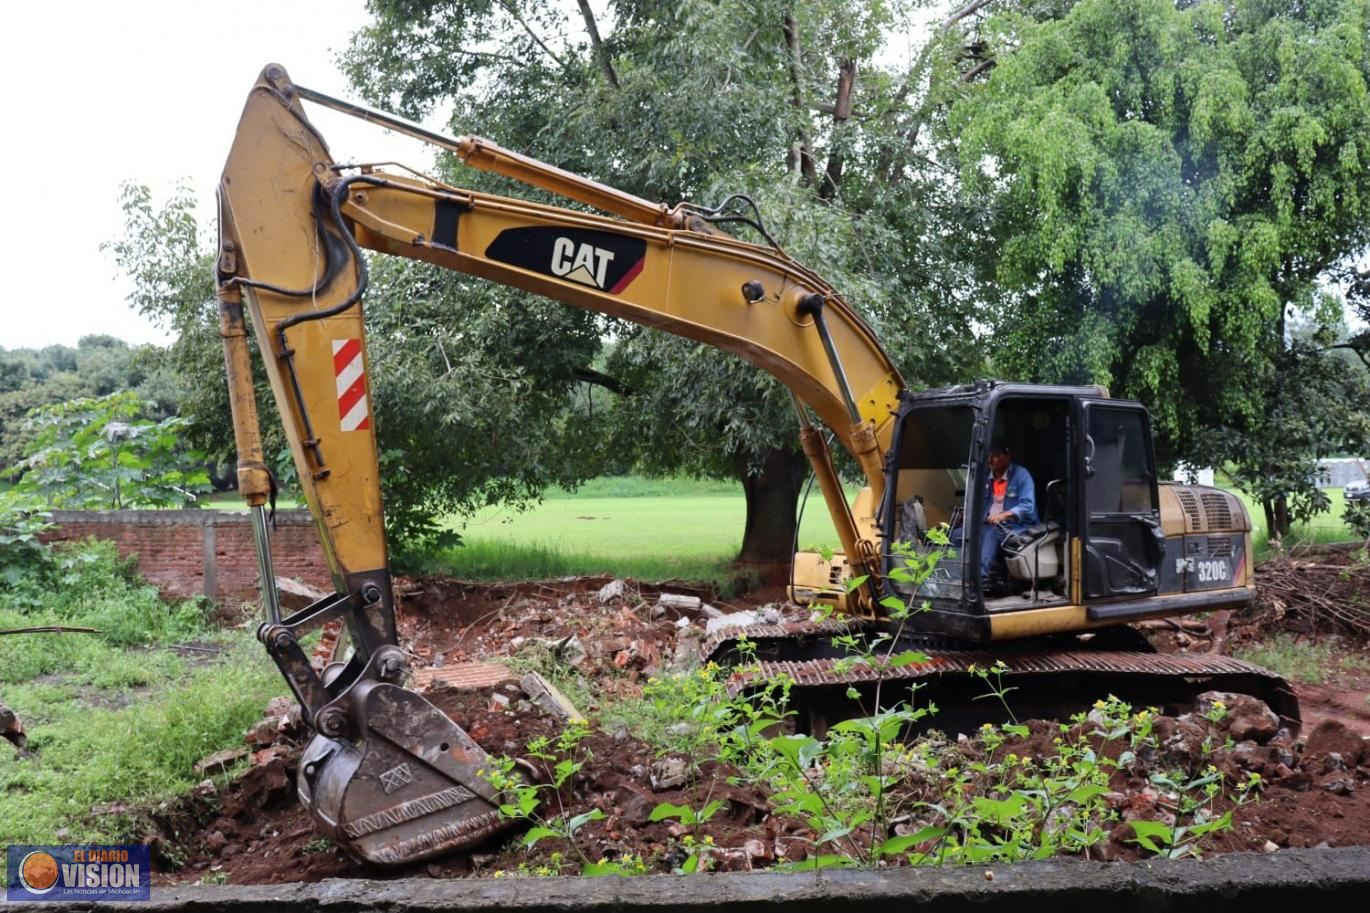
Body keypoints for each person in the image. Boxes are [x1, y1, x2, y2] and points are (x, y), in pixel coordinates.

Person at [952, 438, 1038, 582]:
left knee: (992, 534)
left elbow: (1028, 507)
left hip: (1017, 526)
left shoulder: (1021, 476)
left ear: (1008, 456)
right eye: (988, 455)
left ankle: (979, 579)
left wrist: (1003, 516)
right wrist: (967, 515)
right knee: (957, 534)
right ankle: (955, 578)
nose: (991, 459)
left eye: (996, 455)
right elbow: (980, 505)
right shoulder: (987, 477)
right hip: (990, 524)